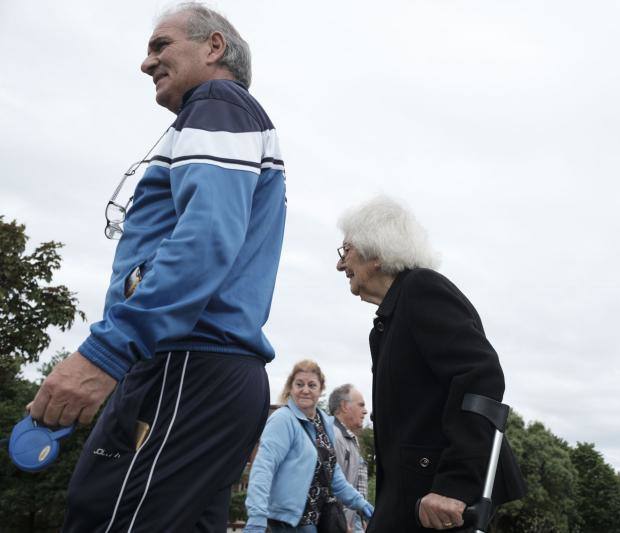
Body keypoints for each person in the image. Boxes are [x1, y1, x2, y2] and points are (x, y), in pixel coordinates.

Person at [27, 3, 287, 530]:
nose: (146, 63)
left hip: (186, 362)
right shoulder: (224, 118)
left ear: (214, 47)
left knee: (104, 518)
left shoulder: (217, 104)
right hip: (206, 370)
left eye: (160, 45)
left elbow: (205, 239)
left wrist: (107, 351)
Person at [335, 196, 526, 532]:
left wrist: (455, 484)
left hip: (439, 501)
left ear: (375, 252)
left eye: (346, 250)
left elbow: (480, 375)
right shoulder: (386, 324)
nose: (340, 264)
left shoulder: (421, 289)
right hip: (410, 497)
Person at [244, 361, 374, 533]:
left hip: (314, 522)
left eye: (312, 385)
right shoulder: (283, 420)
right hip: (285, 524)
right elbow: (263, 469)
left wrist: (361, 504)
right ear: (291, 388)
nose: (305, 390)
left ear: (320, 390)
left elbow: (334, 476)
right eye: (299, 384)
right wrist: (256, 518)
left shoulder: (324, 423)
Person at [329, 384, 370, 533]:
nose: (365, 411)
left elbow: (356, 485)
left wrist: (362, 517)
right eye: (361, 405)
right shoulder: (333, 436)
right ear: (345, 406)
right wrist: (338, 523)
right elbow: (329, 486)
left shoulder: (350, 439)